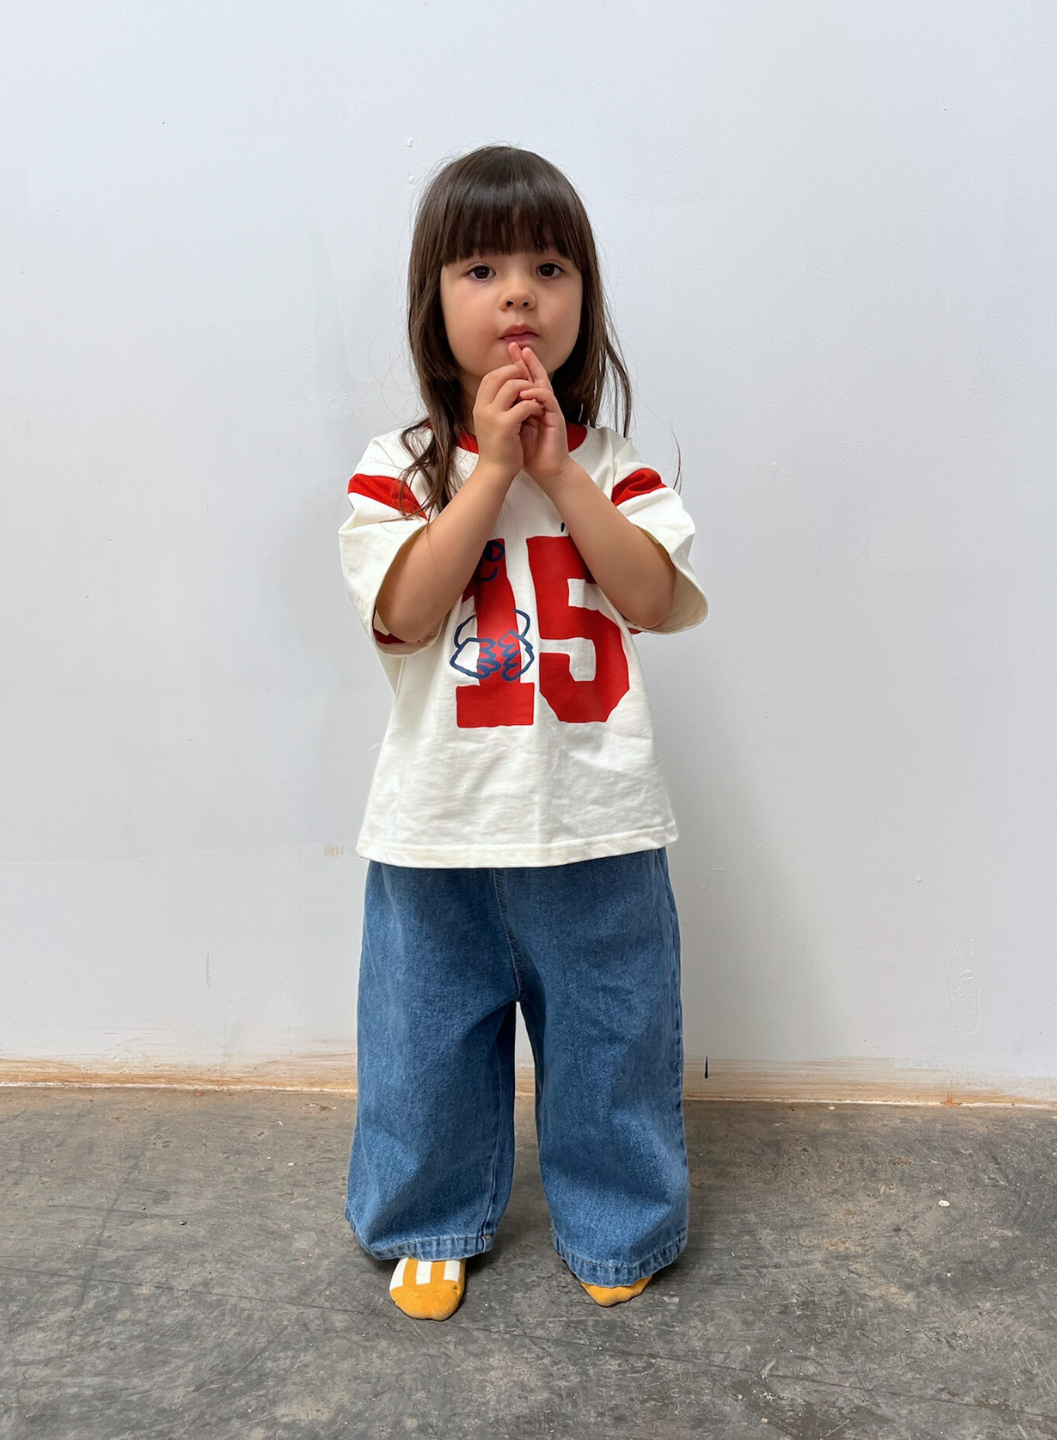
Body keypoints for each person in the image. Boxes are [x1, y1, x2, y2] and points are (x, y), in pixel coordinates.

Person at [338, 144, 708, 1321]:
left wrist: (558, 469)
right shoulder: (397, 470)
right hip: (438, 822)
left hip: (597, 817)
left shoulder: (621, 462)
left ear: (583, 300)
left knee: (613, 1037)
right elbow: (400, 612)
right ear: (430, 303)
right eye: (481, 267)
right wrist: (490, 475)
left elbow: (651, 601)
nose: (517, 295)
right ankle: (429, 1218)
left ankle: (621, 1225)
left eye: (550, 267)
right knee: (426, 1040)